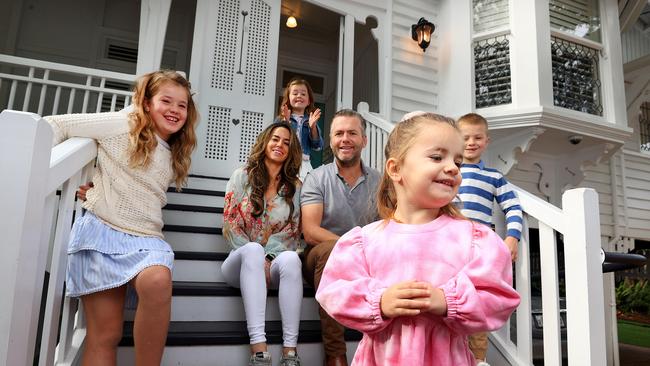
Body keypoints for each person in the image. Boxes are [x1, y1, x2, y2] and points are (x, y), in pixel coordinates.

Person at [315, 112, 521, 366]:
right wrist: (380, 301)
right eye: (437, 157)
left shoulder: (471, 239)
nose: (452, 167)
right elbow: (334, 292)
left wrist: (449, 301)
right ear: (396, 168)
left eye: (457, 162)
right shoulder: (366, 241)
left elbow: (497, 298)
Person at [44, 70, 198, 365]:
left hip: (146, 238)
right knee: (106, 336)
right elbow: (58, 124)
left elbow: (133, 182)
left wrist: (93, 182)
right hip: (102, 232)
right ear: (147, 103)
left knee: (157, 281)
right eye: (166, 101)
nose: (175, 110)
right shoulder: (123, 124)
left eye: (182, 105)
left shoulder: (176, 146)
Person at [300, 109, 381, 366]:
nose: (345, 139)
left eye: (352, 133)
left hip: (367, 257)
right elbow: (311, 231)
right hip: (323, 255)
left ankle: (384, 348)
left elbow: (388, 226)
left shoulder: (380, 182)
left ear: (364, 140)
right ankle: (335, 355)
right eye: (339, 133)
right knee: (328, 252)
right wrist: (352, 247)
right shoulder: (317, 177)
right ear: (331, 140)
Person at [221, 121, 304, 366]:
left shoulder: (295, 188)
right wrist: (257, 256)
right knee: (253, 250)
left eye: (287, 142)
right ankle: (259, 349)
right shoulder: (241, 177)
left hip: (274, 264)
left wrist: (269, 259)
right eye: (276, 139)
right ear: (265, 142)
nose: (280, 145)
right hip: (239, 262)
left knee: (290, 259)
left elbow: (293, 229)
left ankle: (290, 352)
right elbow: (230, 222)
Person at [457, 112, 523, 366]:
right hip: (449, 246)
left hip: (478, 248)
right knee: (452, 299)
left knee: (476, 301)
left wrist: (512, 238)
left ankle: (479, 359)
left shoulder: (494, 176)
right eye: (465, 138)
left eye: (477, 137)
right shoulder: (449, 171)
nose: (471, 142)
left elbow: (513, 207)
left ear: (486, 141)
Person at [276, 78, 323, 180]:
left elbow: (318, 147)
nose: (299, 96)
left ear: (308, 101)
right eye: (295, 93)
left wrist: (313, 127)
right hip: (284, 160)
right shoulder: (281, 119)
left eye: (303, 94)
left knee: (305, 191)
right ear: (288, 98)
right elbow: (273, 140)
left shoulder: (311, 120)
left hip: (304, 163)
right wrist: (285, 123)